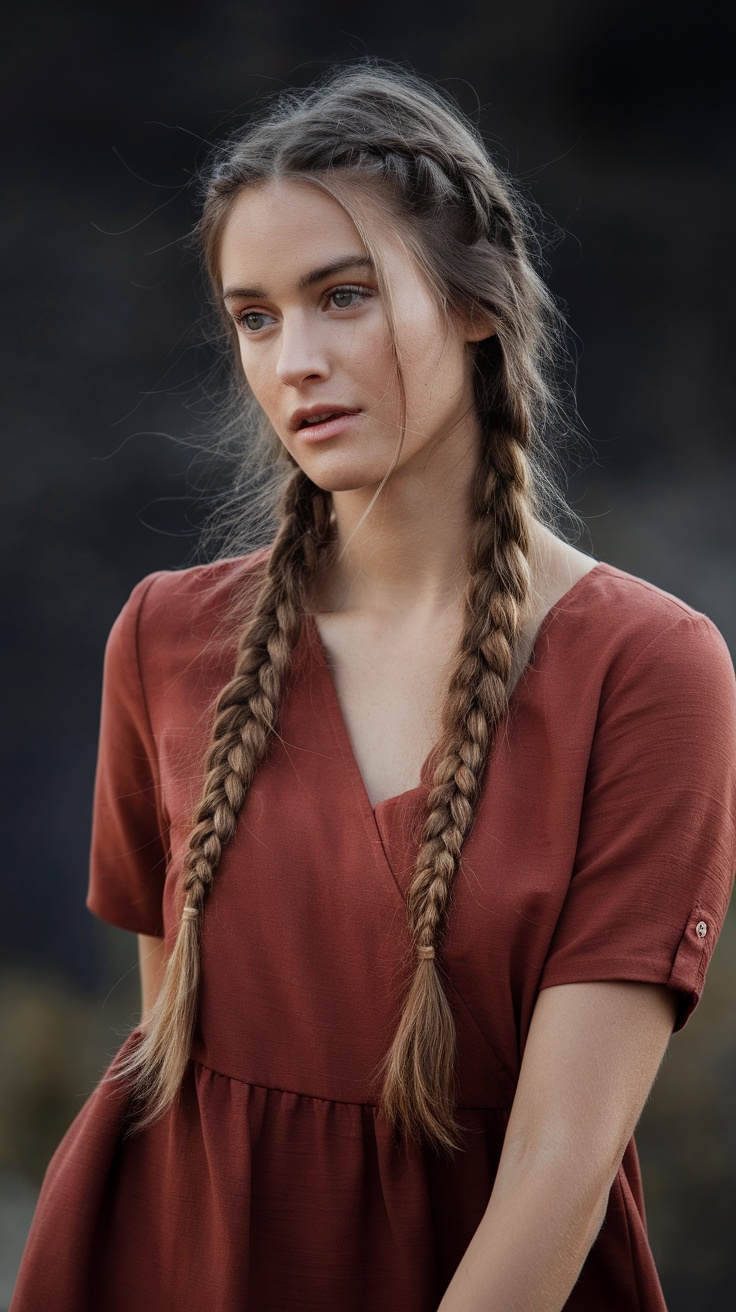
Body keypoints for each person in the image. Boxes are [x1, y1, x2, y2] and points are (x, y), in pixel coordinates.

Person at [12, 63, 736, 1312]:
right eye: (254, 315)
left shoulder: (648, 667)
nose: (295, 358)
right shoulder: (166, 639)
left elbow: (561, 1158)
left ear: (474, 304)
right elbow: (177, 1075)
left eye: (340, 296)